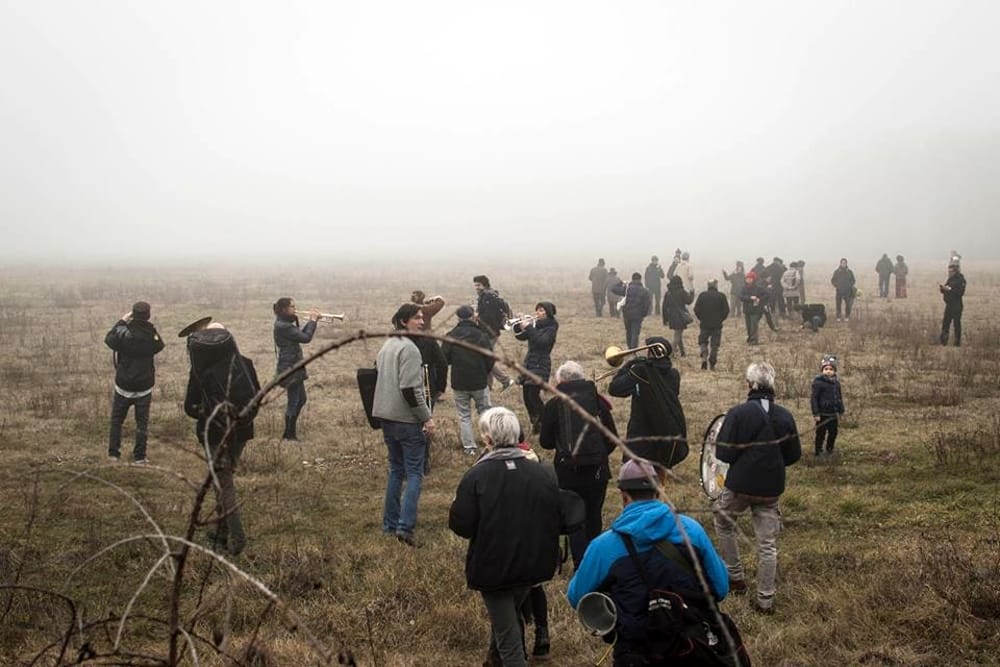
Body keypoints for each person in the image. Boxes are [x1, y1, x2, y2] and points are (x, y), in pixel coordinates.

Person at [566, 459, 730, 666]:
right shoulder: (692, 531)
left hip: (636, 652)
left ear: (623, 497)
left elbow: (575, 597)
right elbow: (721, 588)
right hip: (692, 647)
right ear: (658, 491)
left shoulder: (603, 547)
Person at [449, 407, 561, 667]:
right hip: (534, 565)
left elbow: (461, 526)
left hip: (494, 570)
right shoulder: (542, 472)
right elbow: (557, 517)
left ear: (487, 439)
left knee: (510, 639)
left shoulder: (476, 475)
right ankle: (492, 660)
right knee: (506, 619)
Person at [712, 362, 801, 614]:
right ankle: (765, 600)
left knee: (724, 522)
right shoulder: (785, 416)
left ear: (749, 384)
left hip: (739, 485)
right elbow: (793, 455)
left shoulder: (738, 413)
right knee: (767, 544)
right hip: (771, 489)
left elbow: (723, 453)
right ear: (772, 384)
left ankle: (735, 578)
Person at [183, 322, 261, 556]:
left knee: (223, 486)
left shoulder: (200, 370)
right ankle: (220, 533)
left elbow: (190, 407)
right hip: (242, 432)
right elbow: (257, 395)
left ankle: (237, 540)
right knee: (223, 481)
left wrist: (206, 414)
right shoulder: (245, 363)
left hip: (215, 434)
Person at [539, 360, 618, 569]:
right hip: (598, 472)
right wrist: (600, 456)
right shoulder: (597, 402)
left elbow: (545, 442)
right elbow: (613, 437)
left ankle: (580, 565)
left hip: (567, 472)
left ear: (561, 381)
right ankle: (596, 562)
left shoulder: (554, 405)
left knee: (574, 519)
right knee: (594, 516)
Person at [373, 304, 436, 547]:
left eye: (422, 317)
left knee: (396, 470)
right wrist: (426, 417)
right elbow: (410, 389)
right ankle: (405, 528)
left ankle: (389, 525)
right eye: (416, 318)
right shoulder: (410, 349)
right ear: (402, 321)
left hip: (386, 418)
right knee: (414, 474)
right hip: (407, 421)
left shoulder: (388, 344)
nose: (421, 322)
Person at [608, 336, 687, 472]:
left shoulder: (641, 372)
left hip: (640, 435)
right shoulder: (674, 374)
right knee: (659, 478)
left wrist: (628, 367)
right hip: (664, 434)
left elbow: (614, 389)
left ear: (651, 352)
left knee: (633, 477)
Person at [105, 301, 165, 463]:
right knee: (142, 423)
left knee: (117, 420)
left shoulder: (124, 332)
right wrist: (148, 327)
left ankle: (113, 454)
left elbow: (109, 339)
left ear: (133, 314)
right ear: (148, 315)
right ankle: (140, 457)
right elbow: (159, 345)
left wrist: (121, 321)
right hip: (144, 386)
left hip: (123, 384)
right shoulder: (150, 332)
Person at [442, 305, 494, 455]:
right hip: (479, 381)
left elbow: (444, 358)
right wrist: (485, 371)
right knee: (485, 412)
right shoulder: (481, 335)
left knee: (464, 415)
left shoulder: (451, 335)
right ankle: (490, 442)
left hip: (459, 382)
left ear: (458, 318)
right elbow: (490, 359)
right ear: (473, 316)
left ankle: (469, 447)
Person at [272, 297, 318, 441]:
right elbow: (306, 338)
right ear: (285, 309)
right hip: (290, 367)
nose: (295, 308)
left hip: (294, 365)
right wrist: (313, 321)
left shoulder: (285, 323)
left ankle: (289, 431)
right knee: (294, 401)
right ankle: (289, 434)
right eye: (292, 306)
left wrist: (310, 322)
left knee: (301, 399)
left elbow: (299, 336)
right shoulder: (283, 326)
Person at [512, 301, 558, 433]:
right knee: (527, 396)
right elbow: (521, 337)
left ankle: (545, 423)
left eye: (542, 310)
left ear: (548, 313)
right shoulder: (536, 325)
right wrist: (518, 324)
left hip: (541, 364)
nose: (538, 313)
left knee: (533, 395)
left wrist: (529, 327)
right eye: (537, 310)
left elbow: (542, 342)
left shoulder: (551, 328)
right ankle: (536, 424)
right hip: (530, 363)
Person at [474, 275, 514, 391]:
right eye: (475, 285)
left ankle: (506, 380)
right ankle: (488, 386)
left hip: (489, 333)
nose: (476, 288)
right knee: (486, 357)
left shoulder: (488, 297)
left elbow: (490, 317)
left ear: (484, 284)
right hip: (489, 332)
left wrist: (478, 317)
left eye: (478, 285)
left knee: (486, 358)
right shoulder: (487, 295)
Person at [811, 355, 845, 458]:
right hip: (822, 414)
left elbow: (839, 397)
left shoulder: (836, 383)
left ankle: (829, 449)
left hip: (833, 414)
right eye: (826, 369)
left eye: (831, 369)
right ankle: (818, 451)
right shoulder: (818, 383)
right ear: (822, 370)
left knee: (833, 433)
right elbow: (814, 399)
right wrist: (816, 413)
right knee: (820, 434)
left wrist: (841, 410)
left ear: (834, 371)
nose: (828, 371)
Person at [693, 279, 730, 371]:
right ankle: (712, 363)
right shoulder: (721, 296)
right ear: (716, 285)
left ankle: (704, 358)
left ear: (708, 285)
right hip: (717, 324)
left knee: (703, 341)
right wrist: (721, 319)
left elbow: (696, 309)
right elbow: (726, 311)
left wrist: (701, 318)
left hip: (704, 323)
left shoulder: (702, 295)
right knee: (715, 345)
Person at [610, 273, 652, 350]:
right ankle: (633, 349)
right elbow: (647, 304)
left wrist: (621, 282)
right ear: (640, 279)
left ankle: (629, 347)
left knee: (628, 331)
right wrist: (643, 314)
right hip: (638, 315)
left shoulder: (626, 289)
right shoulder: (645, 291)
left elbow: (613, 288)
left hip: (627, 314)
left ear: (632, 279)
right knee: (635, 332)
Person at [662, 275, 694, 358]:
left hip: (671, 316)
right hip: (680, 316)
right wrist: (692, 293)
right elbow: (689, 301)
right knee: (677, 335)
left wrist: (665, 319)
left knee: (678, 333)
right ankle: (670, 354)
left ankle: (682, 352)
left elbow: (664, 307)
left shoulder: (668, 292)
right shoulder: (682, 291)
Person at [939, 262, 966, 346]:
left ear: (955, 271)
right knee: (945, 323)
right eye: (949, 271)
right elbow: (946, 289)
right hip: (949, 304)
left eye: (951, 271)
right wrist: (943, 289)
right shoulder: (950, 279)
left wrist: (949, 289)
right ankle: (943, 341)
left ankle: (957, 342)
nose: (949, 273)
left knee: (956, 324)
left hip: (957, 305)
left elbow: (960, 293)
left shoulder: (961, 280)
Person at [740, 272, 767, 345]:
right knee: (748, 326)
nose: (748, 280)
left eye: (750, 278)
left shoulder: (759, 288)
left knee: (754, 325)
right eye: (747, 278)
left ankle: (754, 340)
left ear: (753, 279)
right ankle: (750, 338)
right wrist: (750, 298)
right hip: (747, 310)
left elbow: (766, 295)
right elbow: (741, 297)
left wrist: (759, 299)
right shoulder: (743, 288)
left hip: (756, 310)